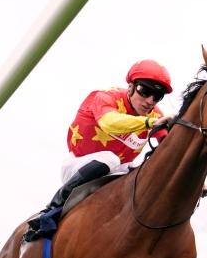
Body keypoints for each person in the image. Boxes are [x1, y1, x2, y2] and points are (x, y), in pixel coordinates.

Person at [24, 59, 174, 242]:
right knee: (111, 159)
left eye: (157, 97)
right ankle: (51, 210)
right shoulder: (105, 97)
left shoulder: (154, 114)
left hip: (117, 170)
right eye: (145, 91)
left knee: (144, 172)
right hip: (79, 164)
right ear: (131, 87)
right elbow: (109, 123)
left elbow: (169, 147)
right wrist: (149, 123)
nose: (149, 101)